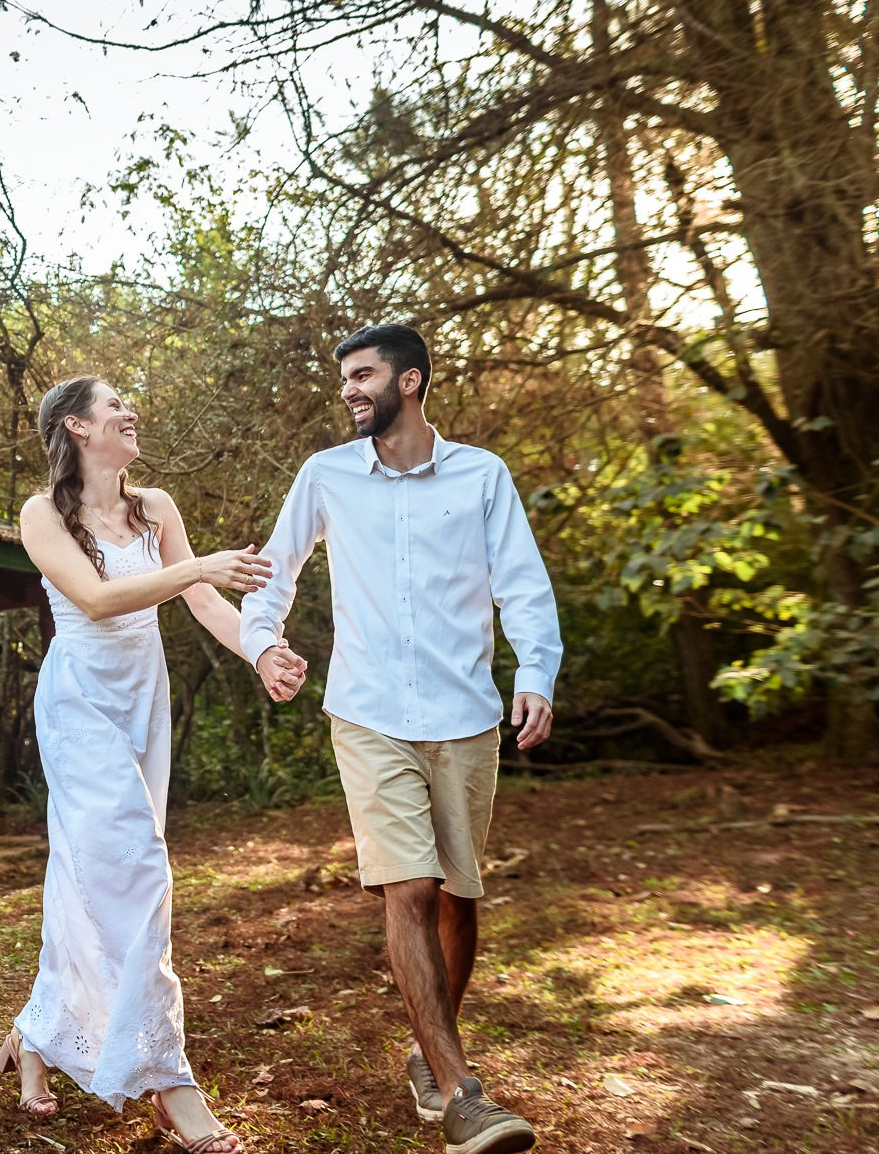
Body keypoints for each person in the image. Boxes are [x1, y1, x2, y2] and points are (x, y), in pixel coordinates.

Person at [240, 324, 560, 1154]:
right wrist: (263, 642)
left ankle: (430, 1050)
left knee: (459, 894)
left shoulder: (482, 475)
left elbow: (523, 585)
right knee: (409, 888)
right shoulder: (326, 475)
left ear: (409, 381)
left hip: (465, 715)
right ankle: (462, 1095)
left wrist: (535, 675)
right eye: (343, 377)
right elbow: (274, 572)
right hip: (368, 710)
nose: (348, 389)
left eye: (362, 375)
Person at [0, 375, 302, 1151]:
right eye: (113, 405)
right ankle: (171, 1081)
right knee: (139, 870)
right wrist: (198, 568)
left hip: (143, 698)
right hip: (80, 705)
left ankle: (38, 1034)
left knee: (88, 871)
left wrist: (261, 648)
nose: (130, 413)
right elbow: (99, 600)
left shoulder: (156, 507)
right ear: (76, 426)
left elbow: (203, 604)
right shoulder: (41, 513)